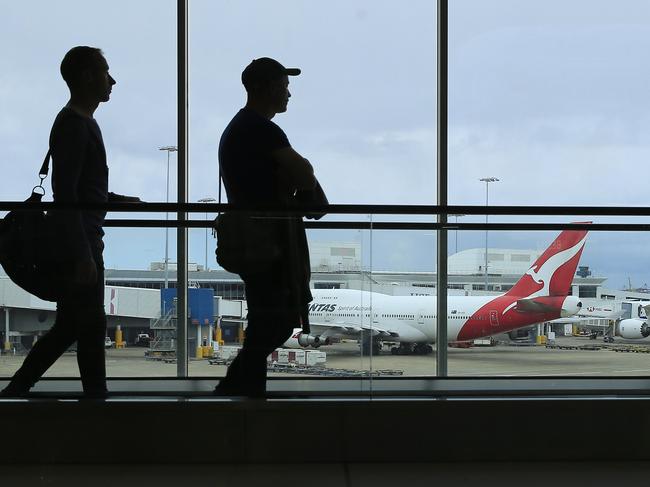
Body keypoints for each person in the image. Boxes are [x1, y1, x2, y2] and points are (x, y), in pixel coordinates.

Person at [0, 46, 140, 398]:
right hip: (81, 241)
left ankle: (22, 390)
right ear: (87, 77)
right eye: (106, 72)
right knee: (89, 325)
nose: (112, 81)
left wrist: (115, 200)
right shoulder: (75, 125)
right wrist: (83, 255)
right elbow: (66, 194)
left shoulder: (78, 122)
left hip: (81, 238)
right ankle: (94, 397)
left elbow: (77, 189)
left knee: (74, 325)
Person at [215, 57, 327, 397]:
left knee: (268, 321)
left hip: (256, 240)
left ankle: (243, 390)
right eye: (283, 86)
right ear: (263, 88)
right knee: (274, 321)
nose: (289, 93)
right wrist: (302, 170)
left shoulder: (241, 127)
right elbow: (305, 175)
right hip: (268, 242)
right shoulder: (261, 129)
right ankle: (235, 390)